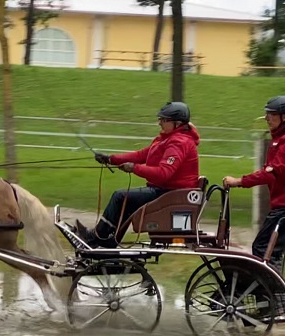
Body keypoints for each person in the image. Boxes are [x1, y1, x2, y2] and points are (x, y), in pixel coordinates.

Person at [75, 101, 201, 248]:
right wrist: (111, 159)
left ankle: (95, 238)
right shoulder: (168, 138)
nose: (159, 122)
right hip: (167, 191)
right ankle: (108, 239)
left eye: (164, 120)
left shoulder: (179, 142)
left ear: (177, 123)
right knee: (126, 200)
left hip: (170, 193)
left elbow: (164, 173)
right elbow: (142, 155)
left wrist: (134, 168)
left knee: (120, 196)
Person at [222, 95, 285, 270]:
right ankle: (268, 292)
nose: (266, 118)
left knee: (265, 248)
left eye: (271, 114)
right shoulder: (283, 137)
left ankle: (271, 293)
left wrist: (239, 181)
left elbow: (271, 173)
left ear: (284, 117)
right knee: (268, 249)